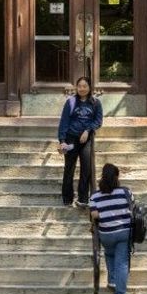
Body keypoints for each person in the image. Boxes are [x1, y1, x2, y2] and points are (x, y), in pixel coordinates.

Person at [88, 163, 133, 294]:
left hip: (106, 234)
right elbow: (133, 208)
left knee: (109, 254)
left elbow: (94, 215)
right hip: (124, 232)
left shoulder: (94, 196)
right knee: (122, 263)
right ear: (117, 177)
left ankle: (112, 280)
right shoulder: (125, 192)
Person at [57, 76, 103, 208]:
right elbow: (64, 122)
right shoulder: (71, 102)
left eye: (85, 86)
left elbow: (98, 121)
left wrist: (88, 130)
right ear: (77, 88)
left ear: (90, 88)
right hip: (71, 139)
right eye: (80, 86)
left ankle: (83, 198)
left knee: (86, 169)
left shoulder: (95, 103)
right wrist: (62, 140)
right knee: (69, 168)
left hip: (86, 140)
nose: (82, 89)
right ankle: (67, 198)